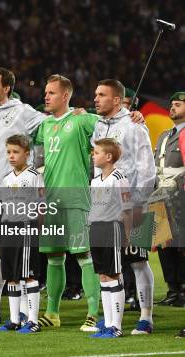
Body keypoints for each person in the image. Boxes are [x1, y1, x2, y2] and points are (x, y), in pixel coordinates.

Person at [0, 68, 46, 324]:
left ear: (6, 88)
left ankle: (29, 314)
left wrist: (75, 113)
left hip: (15, 195)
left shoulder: (22, 111)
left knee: (20, 254)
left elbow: (50, 125)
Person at [33, 75, 101, 331]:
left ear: (65, 96)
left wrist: (133, 115)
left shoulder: (82, 120)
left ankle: (93, 312)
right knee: (54, 256)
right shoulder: (44, 125)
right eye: (46, 92)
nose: (46, 96)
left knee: (83, 254)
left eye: (51, 93)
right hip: (51, 200)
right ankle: (52, 312)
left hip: (75, 197)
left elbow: (110, 125)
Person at [92, 79, 156, 334]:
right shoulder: (98, 125)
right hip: (106, 210)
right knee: (110, 264)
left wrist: (140, 202)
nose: (95, 99)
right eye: (95, 94)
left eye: (101, 95)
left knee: (138, 260)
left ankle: (146, 317)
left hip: (134, 204)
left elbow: (146, 166)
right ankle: (111, 317)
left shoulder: (134, 125)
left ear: (117, 99)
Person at [0, 135, 43, 334]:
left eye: (15, 152)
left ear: (27, 153)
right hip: (9, 229)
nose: (11, 156)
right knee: (11, 276)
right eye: (8, 152)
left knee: (28, 275)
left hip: (26, 228)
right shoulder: (6, 178)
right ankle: (15, 320)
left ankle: (33, 321)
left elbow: (42, 206)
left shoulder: (34, 176)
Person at [88, 139, 132, 339]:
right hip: (96, 229)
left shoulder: (119, 178)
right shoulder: (95, 180)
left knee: (113, 274)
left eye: (96, 152)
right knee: (103, 276)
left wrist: (128, 235)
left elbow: (127, 209)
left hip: (112, 228)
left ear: (108, 157)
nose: (93, 155)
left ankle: (117, 326)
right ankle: (107, 322)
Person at [153, 91, 185, 308]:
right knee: (163, 243)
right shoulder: (164, 135)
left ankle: (182, 289)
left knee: (180, 243)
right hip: (160, 194)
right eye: (172, 104)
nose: (172, 108)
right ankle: (172, 288)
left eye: (177, 104)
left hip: (179, 194)